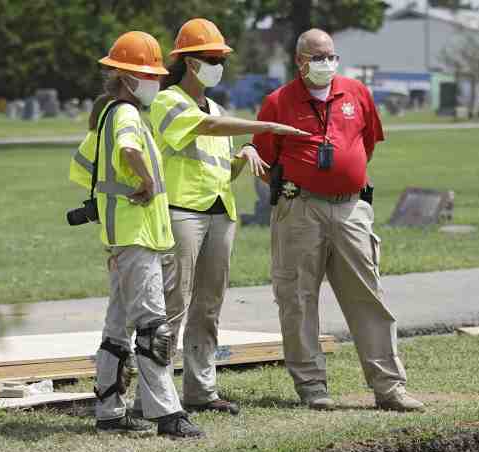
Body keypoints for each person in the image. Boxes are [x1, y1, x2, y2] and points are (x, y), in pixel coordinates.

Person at [252, 29, 424, 413]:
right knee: (297, 298)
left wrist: (343, 175)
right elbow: (264, 162)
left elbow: (367, 144)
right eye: (318, 56)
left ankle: (389, 386)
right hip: (300, 210)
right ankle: (312, 385)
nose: (326, 62)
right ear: (300, 61)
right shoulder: (278, 102)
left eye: (331, 55)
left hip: (350, 209)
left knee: (368, 296)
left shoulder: (357, 92)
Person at [150, 18, 307, 416]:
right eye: (212, 58)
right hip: (183, 212)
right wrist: (268, 126)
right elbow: (207, 127)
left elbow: (220, 165)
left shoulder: (217, 105)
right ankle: (158, 395)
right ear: (189, 62)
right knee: (175, 304)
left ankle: (201, 391)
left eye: (221, 58)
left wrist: (244, 156)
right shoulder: (168, 102)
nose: (218, 64)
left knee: (209, 304)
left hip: (220, 212)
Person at [68, 31, 202, 438]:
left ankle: (109, 410)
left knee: (118, 325)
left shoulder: (108, 113)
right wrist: (144, 181)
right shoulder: (125, 115)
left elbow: (81, 168)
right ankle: (166, 414)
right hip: (137, 235)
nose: (156, 82)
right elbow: (129, 151)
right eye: (150, 75)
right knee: (152, 326)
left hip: (121, 235)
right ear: (128, 78)